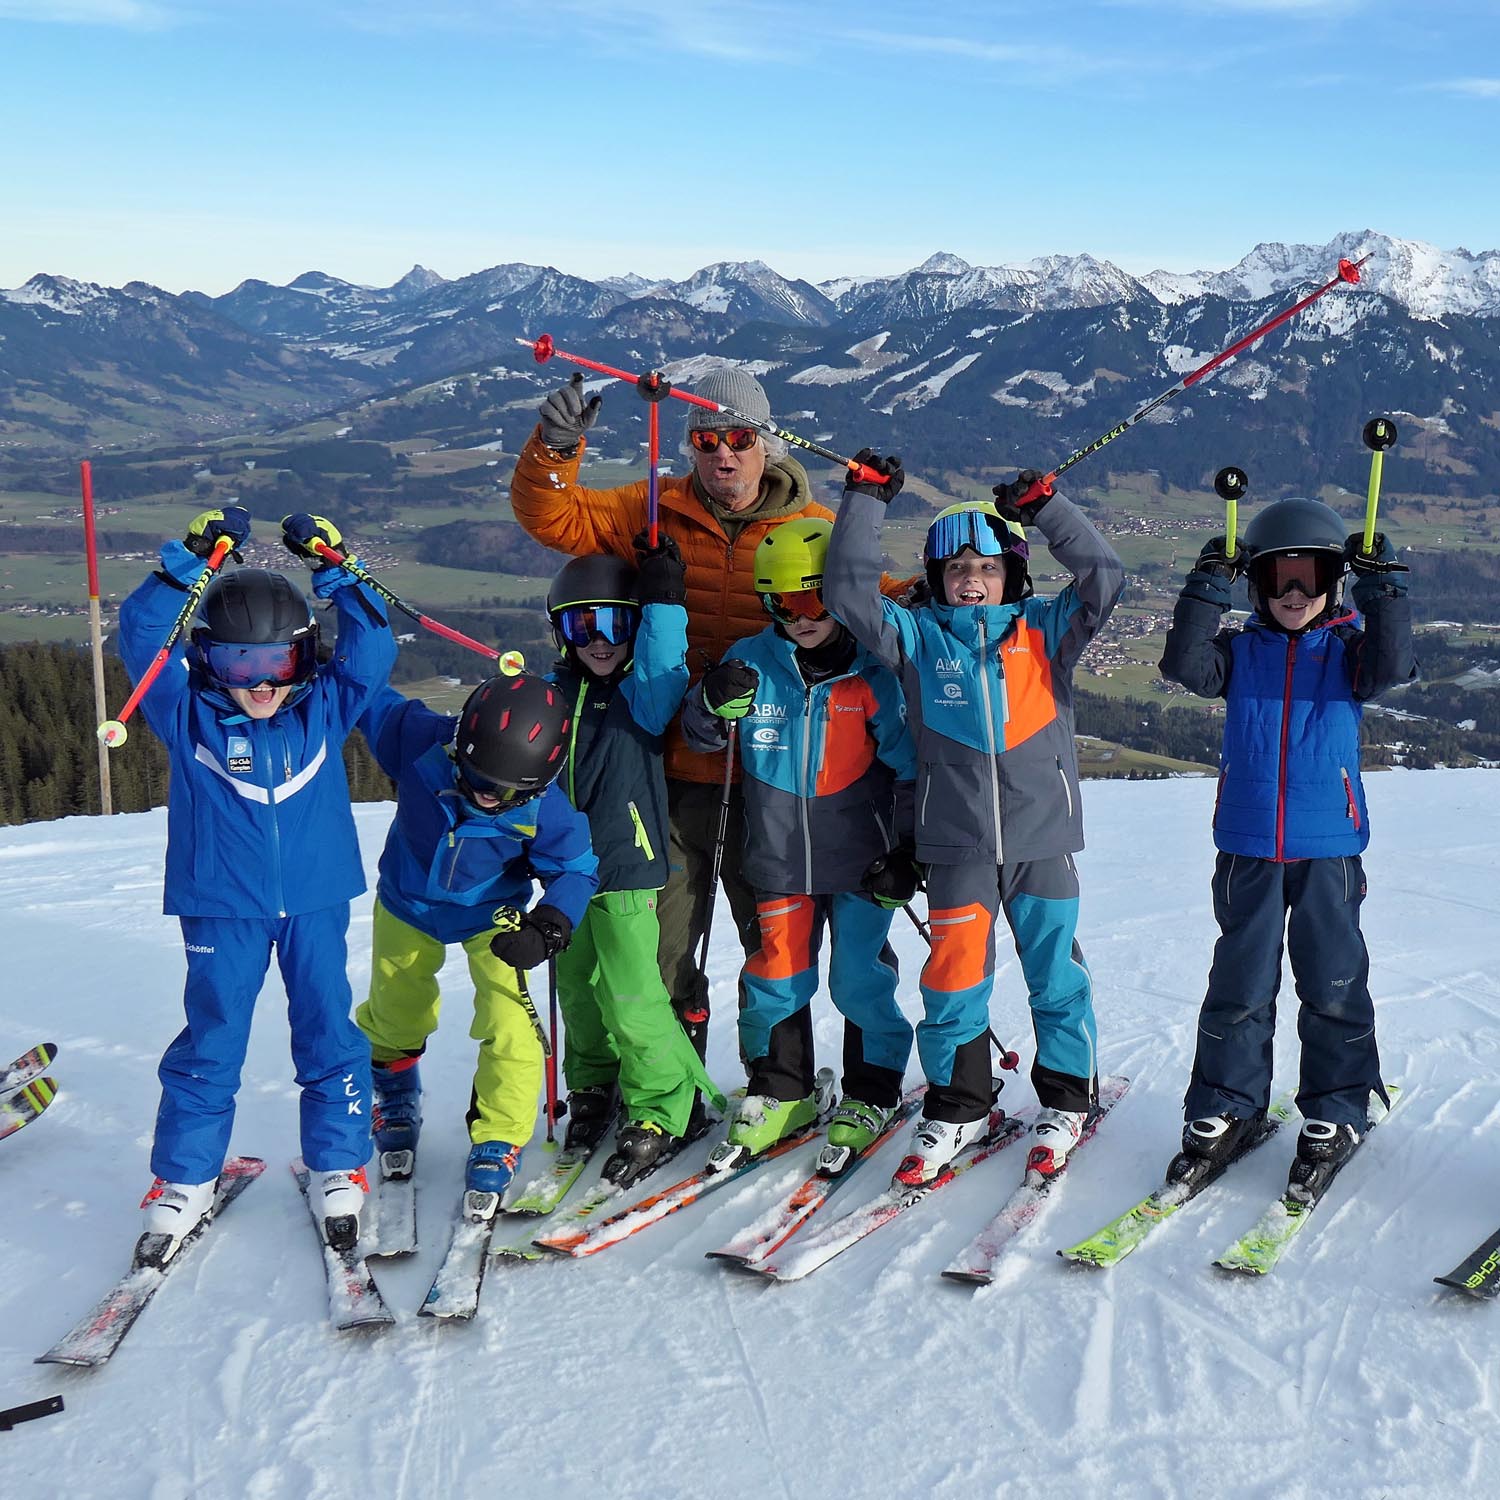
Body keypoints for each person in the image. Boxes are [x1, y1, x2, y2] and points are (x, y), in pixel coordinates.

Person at [509, 366, 912, 1061]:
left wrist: (951, 582)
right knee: (663, 946)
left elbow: (874, 600)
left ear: (768, 444)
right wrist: (555, 447)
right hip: (666, 772)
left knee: (776, 943)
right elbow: (554, 516)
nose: (723, 453)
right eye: (706, 440)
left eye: (739, 438)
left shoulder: (813, 529)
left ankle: (779, 1077)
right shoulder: (653, 510)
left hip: (772, 775)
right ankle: (675, 1086)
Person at [824, 456, 1126, 1185]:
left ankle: (1067, 1098)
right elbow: (847, 593)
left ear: (1012, 574)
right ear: (935, 577)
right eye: (956, 567)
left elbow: (1103, 577)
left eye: (988, 566)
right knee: (954, 980)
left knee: (1054, 975)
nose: (971, 578)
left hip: (1040, 842)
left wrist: (1046, 507)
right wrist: (865, 500)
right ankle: (961, 1104)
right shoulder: (916, 639)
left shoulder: (1046, 629)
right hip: (956, 845)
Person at [121, 507, 396, 1259]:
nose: (263, 683)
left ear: (304, 658)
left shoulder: (325, 707)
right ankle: (185, 1178)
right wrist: (186, 563)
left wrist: (336, 569)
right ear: (210, 662)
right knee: (212, 1039)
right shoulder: (185, 715)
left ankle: (339, 1162)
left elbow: (372, 649)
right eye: (241, 666)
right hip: (220, 905)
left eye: (279, 663)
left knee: (328, 1029)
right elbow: (141, 635)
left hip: (315, 900)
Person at [1158, 497, 1414, 1194]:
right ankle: (1226, 1104)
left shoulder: (1350, 652)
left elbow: (1393, 665)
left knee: (1333, 982)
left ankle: (1338, 1108)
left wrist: (1382, 588)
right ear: (1256, 586)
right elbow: (1183, 664)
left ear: (1335, 582)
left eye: (1311, 577)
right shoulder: (1239, 654)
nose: (1295, 593)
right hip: (1247, 846)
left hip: (1328, 847)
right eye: (1278, 578)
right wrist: (1206, 585)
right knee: (1239, 985)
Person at [681, 518, 917, 1173]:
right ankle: (783, 1091)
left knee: (859, 978)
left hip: (864, 864)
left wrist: (908, 852)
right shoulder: (753, 661)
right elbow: (702, 736)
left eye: (813, 599)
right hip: (779, 861)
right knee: (775, 976)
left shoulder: (873, 668)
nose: (801, 617)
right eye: (782, 603)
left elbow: (909, 767)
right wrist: (709, 703)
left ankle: (872, 1090)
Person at [355, 662, 599, 1206]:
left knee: (509, 1022)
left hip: (493, 915)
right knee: (395, 1011)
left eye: (512, 791)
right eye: (481, 780)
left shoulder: (547, 808)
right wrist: (344, 644)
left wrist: (549, 926)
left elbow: (576, 871)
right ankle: (395, 1095)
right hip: (408, 903)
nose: (491, 796)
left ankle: (499, 1136)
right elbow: (365, 692)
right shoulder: (418, 740)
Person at [542, 541, 726, 1189]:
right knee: (577, 990)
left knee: (631, 996)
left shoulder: (640, 696)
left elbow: (664, 668)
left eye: (615, 624)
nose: (599, 641)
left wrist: (664, 601)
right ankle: (593, 1083)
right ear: (561, 632)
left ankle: (664, 1105)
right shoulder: (553, 696)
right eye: (582, 625)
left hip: (627, 866)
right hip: (561, 874)